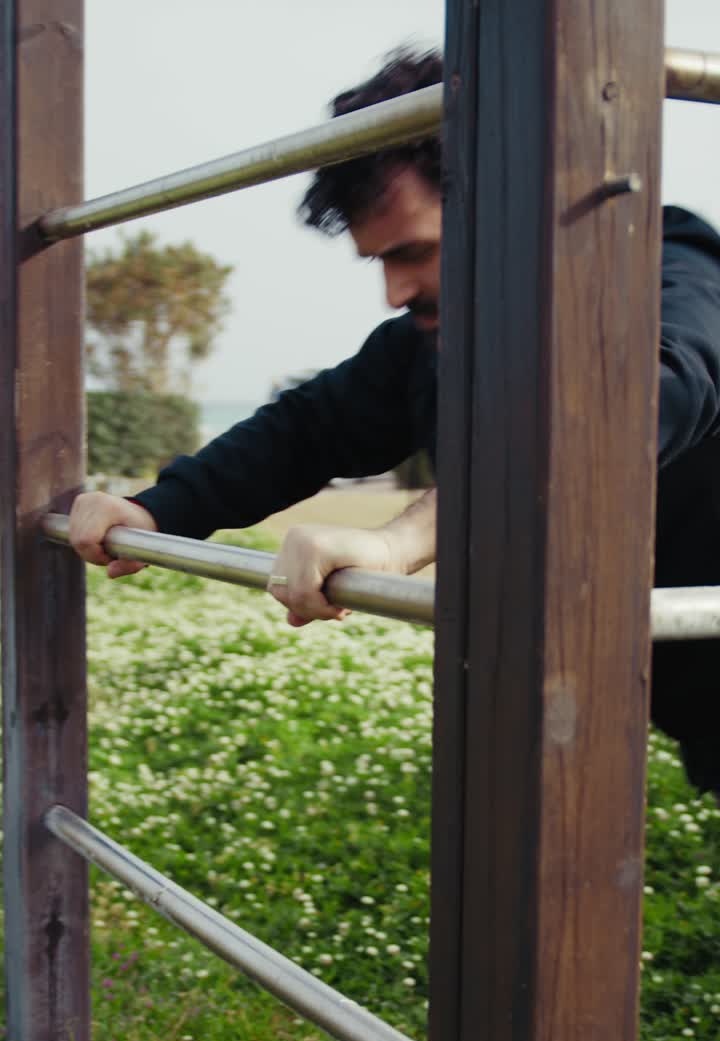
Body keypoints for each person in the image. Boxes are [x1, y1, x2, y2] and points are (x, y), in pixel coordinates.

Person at [69, 48, 720, 794]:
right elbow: (309, 428)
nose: (394, 291)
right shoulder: (439, 334)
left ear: (518, 194)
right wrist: (158, 507)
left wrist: (398, 542)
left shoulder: (669, 273)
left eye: (414, 253)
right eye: (377, 262)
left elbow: (628, 407)